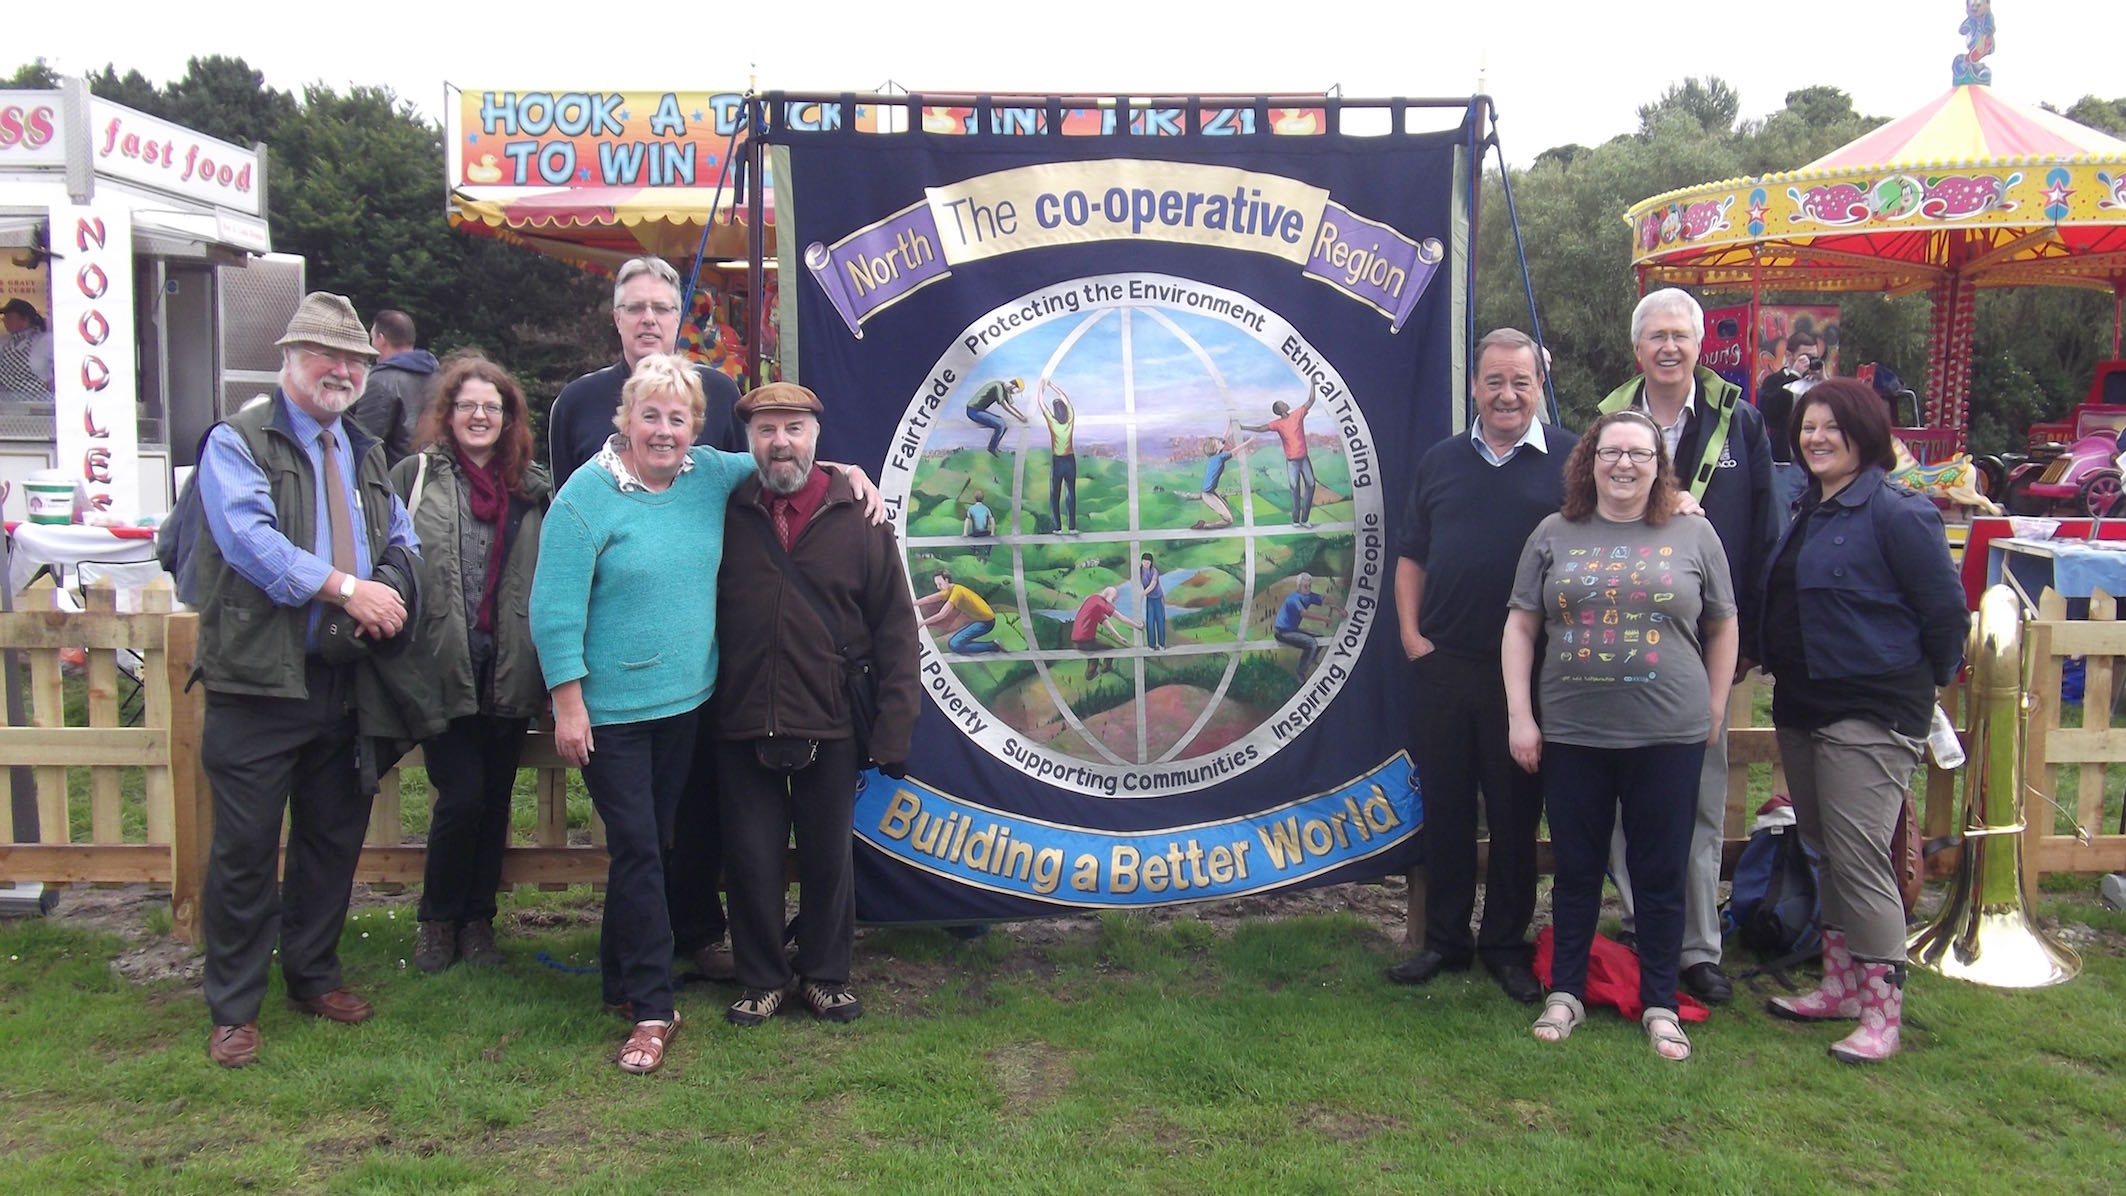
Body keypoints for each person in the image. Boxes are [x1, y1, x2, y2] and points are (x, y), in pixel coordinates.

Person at [192, 292, 422, 1069]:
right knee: (247, 850)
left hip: (342, 678)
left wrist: (389, 581)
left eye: (355, 359)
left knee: (332, 840)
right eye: (327, 355)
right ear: (289, 360)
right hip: (259, 679)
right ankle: (232, 1005)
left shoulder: (363, 448)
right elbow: (248, 542)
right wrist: (345, 587)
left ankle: (313, 976)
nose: (342, 369)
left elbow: (402, 535)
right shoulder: (237, 441)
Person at [531, 354, 752, 1073]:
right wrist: (569, 705)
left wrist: (851, 477)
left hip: (686, 702)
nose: (664, 430)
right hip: (611, 712)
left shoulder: (710, 476)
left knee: (653, 842)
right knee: (638, 849)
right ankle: (656, 1009)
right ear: (625, 420)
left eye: (678, 418)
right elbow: (553, 610)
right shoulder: (584, 498)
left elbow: (784, 466)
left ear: (697, 427)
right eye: (650, 416)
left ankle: (618, 981)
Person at [1505, 410, 1738, 1062]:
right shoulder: (1555, 533)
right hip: (1576, 733)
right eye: (1612, 452)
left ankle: (1661, 1004)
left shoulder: (1693, 534)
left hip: (1669, 732)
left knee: (1660, 873)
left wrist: (1716, 705)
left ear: (1659, 465)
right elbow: (1521, 625)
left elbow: (1724, 624)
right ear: (1591, 460)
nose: (1625, 464)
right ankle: (1567, 994)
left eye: (1640, 453)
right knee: (1577, 869)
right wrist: (1521, 715)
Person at [547, 256, 745, 982]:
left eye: (663, 306)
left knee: (696, 807)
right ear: (617, 318)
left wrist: (844, 472)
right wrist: (567, 682)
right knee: (637, 830)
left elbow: (765, 473)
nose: (650, 319)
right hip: (613, 661)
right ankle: (642, 972)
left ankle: (693, 931)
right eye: (636, 308)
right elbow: (563, 549)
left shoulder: (720, 393)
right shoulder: (576, 404)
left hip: (696, 647)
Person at [1757, 379, 1966, 1064]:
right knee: (1823, 846)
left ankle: (1882, 1009)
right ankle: (1840, 986)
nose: (1816, 438)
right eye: (1807, 428)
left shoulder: (1899, 513)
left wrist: (1912, 692)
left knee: (1859, 855)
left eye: (1832, 428)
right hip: (1803, 702)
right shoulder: (1805, 506)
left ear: (1865, 434)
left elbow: (1944, 618)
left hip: (1872, 711)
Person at [712, 382, 921, 1027]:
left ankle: (827, 976)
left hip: (830, 717)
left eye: (794, 429)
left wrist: (893, 729)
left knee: (831, 857)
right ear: (750, 440)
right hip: (741, 712)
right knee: (750, 856)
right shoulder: (723, 508)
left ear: (815, 437)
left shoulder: (857, 515)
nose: (781, 443)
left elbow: (896, 626)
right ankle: (761, 978)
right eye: (768, 430)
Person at [1597, 287, 1782, 1006]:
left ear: (1700, 346)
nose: (1669, 348)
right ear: (1637, 349)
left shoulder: (1741, 424)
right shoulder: (1610, 421)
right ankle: (1650, 926)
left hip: (1705, 638)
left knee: (1700, 796)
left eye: (1681, 335)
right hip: (1620, 632)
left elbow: (1764, 528)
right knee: (1622, 799)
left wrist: (1751, 637)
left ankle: (1699, 948)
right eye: (1656, 337)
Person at [1386, 328, 1579, 1005]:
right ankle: (1444, 941)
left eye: (1520, 382)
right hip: (1445, 663)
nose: (1506, 394)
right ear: (1475, 386)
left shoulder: (1570, 458)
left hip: (1528, 675)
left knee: (1515, 814)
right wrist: (1412, 636)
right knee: (1445, 808)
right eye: (1494, 381)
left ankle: (1503, 944)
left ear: (1538, 386)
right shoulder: (1441, 461)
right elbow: (1412, 555)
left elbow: (1623, 513)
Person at [392, 352, 551, 973]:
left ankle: (479, 923)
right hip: (444, 665)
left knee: (495, 799)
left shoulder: (534, 489)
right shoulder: (419, 477)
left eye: (493, 406)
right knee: (459, 796)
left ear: (509, 417)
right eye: (468, 406)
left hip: (509, 666)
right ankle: (437, 921)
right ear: (448, 414)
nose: (480, 415)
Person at [348, 309, 439, 468]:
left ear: (381, 339)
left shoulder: (380, 381)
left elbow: (364, 443)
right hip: (435, 478)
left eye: (372, 338)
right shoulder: (441, 377)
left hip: (395, 483)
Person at [1758, 331, 1824, 512]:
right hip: (1786, 466)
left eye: (1814, 357)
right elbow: (1770, 410)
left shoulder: (1818, 384)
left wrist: (1823, 379)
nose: (1810, 361)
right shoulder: (1775, 381)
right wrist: (1794, 375)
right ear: (1789, 355)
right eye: (1806, 357)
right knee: (1783, 517)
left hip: (1814, 465)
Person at [1243, 395, 1320, 527]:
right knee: (1294, 488)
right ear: (1281, 409)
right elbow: (1261, 428)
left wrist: (1313, 384)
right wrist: (1243, 427)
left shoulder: (1297, 414)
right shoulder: (1278, 424)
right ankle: (1296, 520)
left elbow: (1311, 400)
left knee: (1311, 485)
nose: (1286, 403)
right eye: (1283, 403)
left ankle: (1305, 519)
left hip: (1304, 459)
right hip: (1292, 462)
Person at [916, 568, 1003, 654]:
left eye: (940, 584)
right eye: (937, 585)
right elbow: (929, 599)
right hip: (978, 620)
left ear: (946, 580)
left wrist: (923, 622)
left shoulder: (957, 592)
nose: (938, 587)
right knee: (955, 642)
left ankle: (993, 646)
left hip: (986, 622)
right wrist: (913, 603)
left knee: (955, 644)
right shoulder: (949, 589)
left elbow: (942, 614)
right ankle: (993, 646)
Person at [1272, 572, 1339, 679]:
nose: (1308, 588)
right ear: (1299, 586)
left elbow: (1324, 599)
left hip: (1292, 630)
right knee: (1311, 643)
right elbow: (1304, 613)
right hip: (1282, 632)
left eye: (1309, 586)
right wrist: (1324, 618)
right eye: (1305, 586)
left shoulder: (1308, 595)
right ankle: (1300, 671)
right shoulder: (1293, 599)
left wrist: (1337, 608)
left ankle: (1311, 658)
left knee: (1319, 638)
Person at [1191, 422, 1253, 530]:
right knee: (1228, 520)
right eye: (1218, 442)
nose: (1221, 441)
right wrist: (1250, 441)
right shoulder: (1221, 457)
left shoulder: (1215, 456)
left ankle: (1203, 525)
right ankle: (1204, 526)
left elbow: (1223, 438)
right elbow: (1236, 450)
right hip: (1208, 494)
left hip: (1210, 492)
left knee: (1228, 516)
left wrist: (1229, 423)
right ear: (1216, 448)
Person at [1038, 379, 1080, 533]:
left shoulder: (1053, 423)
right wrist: (1052, 385)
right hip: (1070, 460)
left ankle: (1057, 527)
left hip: (1058, 461)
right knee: (1071, 494)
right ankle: (1072, 527)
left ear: (1055, 413)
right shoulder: (1071, 420)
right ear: (1066, 412)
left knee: (1055, 495)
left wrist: (1040, 387)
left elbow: (1041, 404)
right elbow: (1065, 398)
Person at [1072, 585, 1140, 678]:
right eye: (1114, 599)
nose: (1113, 602)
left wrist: (1118, 637)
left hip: (1079, 641)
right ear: (1110, 595)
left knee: (1095, 650)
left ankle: (1091, 672)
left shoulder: (1093, 600)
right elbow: (1121, 618)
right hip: (1086, 641)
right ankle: (1104, 669)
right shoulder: (1100, 602)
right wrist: (1137, 626)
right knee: (1109, 649)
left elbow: (1105, 622)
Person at [0, 297, 55, 400]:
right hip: (10, 405)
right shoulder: (5, 342)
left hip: (41, 404)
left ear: (25, 320)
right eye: (4, 317)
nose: (4, 320)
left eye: (9, 317)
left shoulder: (46, 341)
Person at [965, 377, 1028, 455]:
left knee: (1003, 425)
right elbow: (1005, 406)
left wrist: (1023, 415)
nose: (1013, 394)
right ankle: (991, 448)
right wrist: (1019, 418)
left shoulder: (1005, 388)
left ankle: (994, 447)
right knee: (1001, 424)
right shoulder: (998, 387)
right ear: (1013, 386)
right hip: (973, 411)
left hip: (979, 410)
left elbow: (1012, 404)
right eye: (1014, 392)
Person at [1139, 552, 1168, 650]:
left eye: (1148, 562)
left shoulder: (1154, 571)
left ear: (1151, 563)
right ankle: (1151, 645)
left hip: (1158, 598)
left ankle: (1161, 644)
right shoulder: (1140, 571)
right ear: (1142, 561)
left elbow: (1153, 584)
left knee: (1160, 621)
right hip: (1150, 599)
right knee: (1150, 622)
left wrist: (1143, 594)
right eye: (1144, 561)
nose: (1146, 563)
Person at [963, 490, 996, 561]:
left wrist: (965, 533)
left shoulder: (971, 509)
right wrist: (992, 532)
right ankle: (987, 552)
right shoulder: (986, 508)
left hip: (976, 533)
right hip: (985, 532)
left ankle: (976, 551)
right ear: (983, 498)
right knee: (990, 538)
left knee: (969, 539)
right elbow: (992, 520)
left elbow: (967, 520)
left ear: (975, 498)